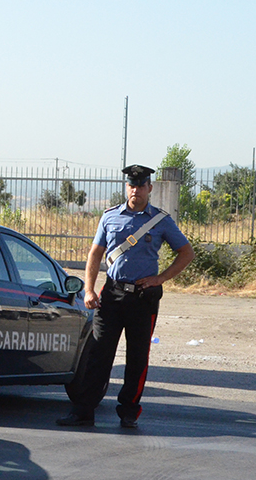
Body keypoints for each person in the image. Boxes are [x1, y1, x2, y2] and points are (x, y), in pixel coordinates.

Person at [58, 164, 194, 429]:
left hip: (144, 298)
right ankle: (83, 410)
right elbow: (95, 255)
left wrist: (160, 278)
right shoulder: (109, 217)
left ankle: (129, 410)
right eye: (131, 185)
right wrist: (88, 289)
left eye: (141, 185)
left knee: (137, 358)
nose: (136, 190)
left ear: (149, 189)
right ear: (126, 188)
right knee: (98, 354)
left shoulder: (160, 220)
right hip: (111, 295)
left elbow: (186, 253)